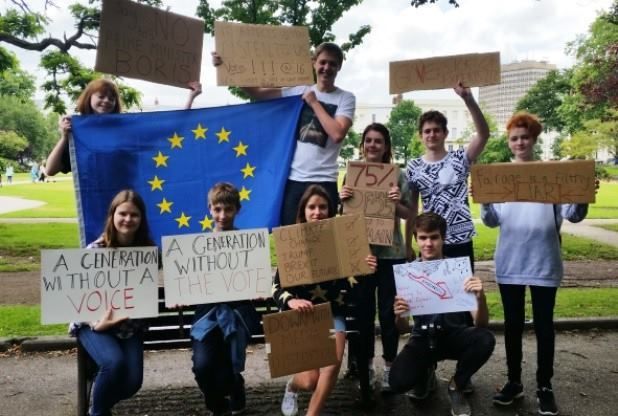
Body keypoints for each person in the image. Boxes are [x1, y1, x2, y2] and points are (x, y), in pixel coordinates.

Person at [480, 112, 590, 416]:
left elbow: (573, 215)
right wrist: (486, 201)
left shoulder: (552, 174)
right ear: (509, 141)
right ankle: (514, 382)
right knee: (513, 326)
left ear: (534, 139)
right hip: (511, 260)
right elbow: (490, 221)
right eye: (514, 138)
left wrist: (582, 196)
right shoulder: (500, 176)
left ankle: (544, 385)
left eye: (525, 137)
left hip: (544, 260)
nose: (519, 142)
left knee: (544, 326)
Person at [212, 42, 355, 225]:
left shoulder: (346, 98)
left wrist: (314, 103)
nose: (327, 68)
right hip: (295, 179)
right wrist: (226, 67)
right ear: (314, 62)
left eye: (333, 64)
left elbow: (337, 133)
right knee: (291, 239)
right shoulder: (299, 90)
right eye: (323, 62)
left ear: (339, 67)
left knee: (323, 242)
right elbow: (259, 93)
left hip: (325, 179)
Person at [272, 185, 377, 416]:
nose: (317, 212)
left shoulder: (343, 240)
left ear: (330, 210)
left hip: (332, 314)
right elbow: (276, 287)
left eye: (322, 207)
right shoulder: (292, 241)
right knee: (310, 381)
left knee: (331, 367)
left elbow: (356, 287)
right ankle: (292, 386)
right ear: (304, 211)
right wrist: (291, 301)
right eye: (312, 207)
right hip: (301, 316)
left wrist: (365, 270)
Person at [388, 212, 495, 416]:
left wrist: (480, 298)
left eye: (434, 237)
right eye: (423, 238)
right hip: (423, 338)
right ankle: (425, 374)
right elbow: (403, 329)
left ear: (443, 238)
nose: (428, 243)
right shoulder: (408, 275)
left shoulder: (459, 271)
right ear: (416, 239)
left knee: (485, 339)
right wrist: (399, 315)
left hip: (454, 335)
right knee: (397, 382)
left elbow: (480, 323)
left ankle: (457, 385)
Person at [339, 123, 412, 402]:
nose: (372, 145)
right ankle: (366, 368)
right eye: (368, 141)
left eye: (378, 141)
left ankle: (390, 366)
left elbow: (409, 214)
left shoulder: (398, 176)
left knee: (389, 314)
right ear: (362, 145)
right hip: (361, 254)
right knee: (363, 314)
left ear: (386, 147)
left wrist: (396, 202)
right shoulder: (352, 173)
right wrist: (341, 197)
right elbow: (344, 217)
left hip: (391, 254)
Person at [70, 189, 155, 416]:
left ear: (141, 218)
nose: (128, 219)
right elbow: (75, 299)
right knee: (113, 363)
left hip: (129, 326)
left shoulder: (147, 253)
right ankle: (97, 413)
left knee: (133, 382)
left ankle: (100, 406)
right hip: (92, 325)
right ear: (112, 216)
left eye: (134, 215)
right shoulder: (94, 251)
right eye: (123, 214)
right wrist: (97, 323)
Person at [190, 182, 259, 416]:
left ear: (237, 210)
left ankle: (234, 385)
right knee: (202, 367)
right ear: (209, 209)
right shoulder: (196, 248)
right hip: (207, 317)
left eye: (228, 209)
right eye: (217, 209)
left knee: (227, 370)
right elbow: (189, 284)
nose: (222, 215)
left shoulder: (249, 245)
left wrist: (257, 288)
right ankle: (219, 408)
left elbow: (256, 280)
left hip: (238, 314)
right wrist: (182, 295)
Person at [405, 83, 490, 269]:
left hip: (460, 238)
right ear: (421, 136)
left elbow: (483, 135)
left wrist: (469, 100)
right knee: (433, 293)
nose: (432, 134)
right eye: (427, 131)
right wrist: (406, 245)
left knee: (464, 294)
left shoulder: (461, 158)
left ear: (445, 133)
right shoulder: (414, 167)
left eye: (437, 130)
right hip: (430, 240)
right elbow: (412, 209)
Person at [46, 79, 202, 176]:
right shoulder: (78, 132)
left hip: (127, 200)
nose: (106, 101)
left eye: (111, 98)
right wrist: (64, 137)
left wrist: (191, 98)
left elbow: (170, 129)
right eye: (101, 96)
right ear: (89, 98)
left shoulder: (126, 128)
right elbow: (50, 170)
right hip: (95, 204)